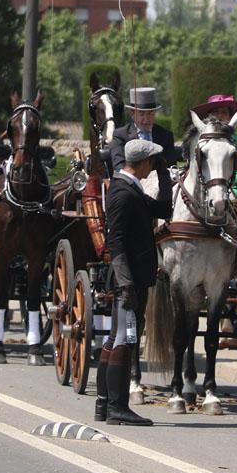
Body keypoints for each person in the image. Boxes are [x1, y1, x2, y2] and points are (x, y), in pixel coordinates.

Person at [98, 138, 174, 426]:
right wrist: (127, 283)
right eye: (153, 162)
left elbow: (164, 210)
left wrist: (164, 175)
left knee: (117, 337)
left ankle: (104, 404)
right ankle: (117, 407)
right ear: (142, 163)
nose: (153, 166)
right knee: (125, 338)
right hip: (127, 281)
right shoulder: (122, 193)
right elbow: (114, 243)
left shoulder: (131, 189)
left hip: (132, 279)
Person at [190, 93, 237, 199]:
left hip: (232, 188)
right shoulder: (200, 141)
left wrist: (224, 183)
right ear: (209, 116)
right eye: (216, 112)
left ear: (230, 117)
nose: (220, 116)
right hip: (203, 186)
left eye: (224, 112)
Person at [109, 87, 180, 173]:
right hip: (130, 184)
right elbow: (119, 167)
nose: (146, 119)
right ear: (132, 113)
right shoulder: (121, 135)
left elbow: (171, 167)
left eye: (150, 113)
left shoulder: (165, 136)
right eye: (142, 114)